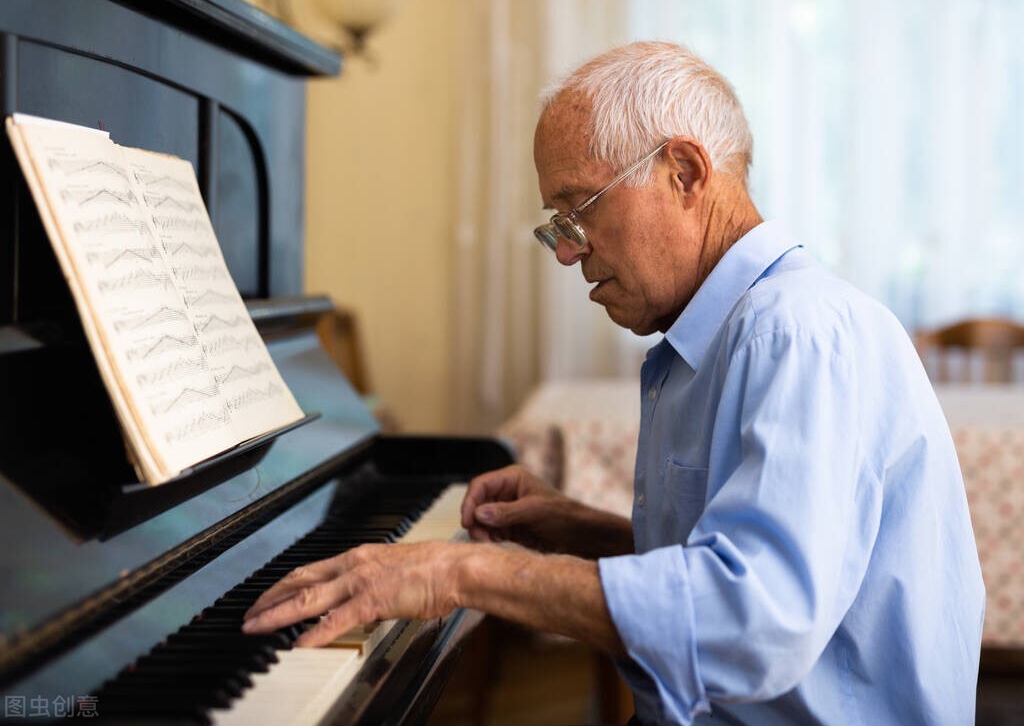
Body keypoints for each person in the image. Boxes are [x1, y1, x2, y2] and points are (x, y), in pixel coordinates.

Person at [243, 41, 985, 725]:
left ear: (685, 173)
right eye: (557, 222)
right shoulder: (721, 331)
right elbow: (746, 560)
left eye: (578, 209)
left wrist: (461, 569)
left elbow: (758, 621)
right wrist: (585, 532)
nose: (568, 253)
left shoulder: (794, 331)